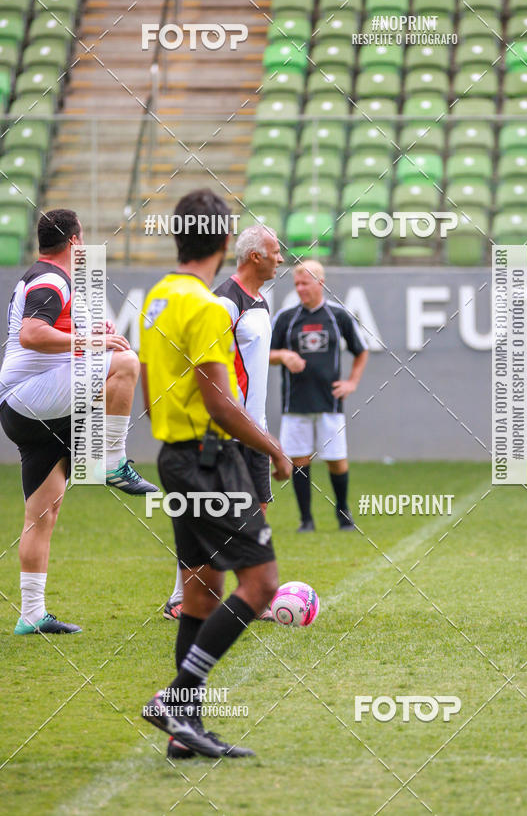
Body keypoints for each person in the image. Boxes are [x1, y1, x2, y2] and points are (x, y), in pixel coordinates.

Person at [139, 189, 291, 759]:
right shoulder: (206, 305)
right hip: (212, 458)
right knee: (262, 583)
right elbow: (221, 403)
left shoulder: (157, 296)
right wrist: (274, 450)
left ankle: (185, 734)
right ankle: (176, 699)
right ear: (227, 242)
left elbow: (152, 392)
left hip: (174, 457)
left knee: (202, 593)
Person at [0, 209, 157, 636]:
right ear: (74, 241)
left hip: (29, 409)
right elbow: (33, 333)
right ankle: (110, 459)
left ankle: (32, 614)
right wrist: (93, 339)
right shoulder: (52, 278)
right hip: (32, 397)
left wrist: (89, 330)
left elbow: (53, 333)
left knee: (42, 514)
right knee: (125, 361)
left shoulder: (49, 278)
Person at [163, 223, 284, 622]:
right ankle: (180, 598)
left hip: (255, 429)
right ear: (255, 256)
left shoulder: (260, 302)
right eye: (276, 252)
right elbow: (207, 368)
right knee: (211, 514)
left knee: (256, 510)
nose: (281, 258)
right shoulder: (224, 303)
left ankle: (252, 596)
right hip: (228, 430)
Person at [270, 260, 369, 532]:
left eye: (305, 283)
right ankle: (306, 520)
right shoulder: (286, 318)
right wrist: (283, 355)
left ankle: (343, 512)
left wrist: (351, 383)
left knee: (336, 459)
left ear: (320, 282)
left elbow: (361, 351)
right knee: (300, 460)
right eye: (297, 284)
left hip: (329, 402)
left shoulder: (338, 316)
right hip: (295, 402)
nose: (300, 289)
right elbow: (266, 354)